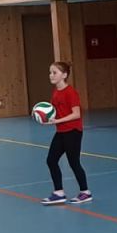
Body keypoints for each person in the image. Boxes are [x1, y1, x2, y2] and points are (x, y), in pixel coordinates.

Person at [41, 61, 92, 205]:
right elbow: (55, 111)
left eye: (54, 73)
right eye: (50, 72)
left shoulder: (70, 92)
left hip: (73, 132)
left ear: (64, 75)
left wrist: (58, 120)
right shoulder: (56, 92)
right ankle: (59, 193)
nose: (51, 75)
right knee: (51, 160)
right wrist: (46, 117)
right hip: (61, 131)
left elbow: (76, 114)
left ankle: (85, 192)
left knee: (74, 162)